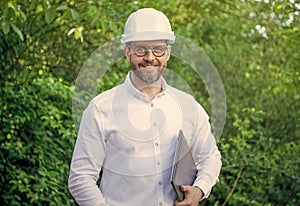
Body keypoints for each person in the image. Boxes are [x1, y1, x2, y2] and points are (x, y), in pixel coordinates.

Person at [68, 8, 222, 206]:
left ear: (168, 53)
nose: (150, 57)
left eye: (158, 49)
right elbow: (80, 178)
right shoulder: (100, 108)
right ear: (127, 52)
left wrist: (199, 190)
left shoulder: (189, 106)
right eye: (141, 49)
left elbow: (210, 157)